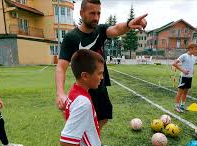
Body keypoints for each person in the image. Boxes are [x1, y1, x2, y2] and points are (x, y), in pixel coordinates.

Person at [55, 0, 147, 130]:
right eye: (92, 13)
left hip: (100, 83)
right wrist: (60, 93)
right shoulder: (71, 37)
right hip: (84, 88)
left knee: (104, 116)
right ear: (81, 13)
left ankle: (92, 140)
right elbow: (61, 66)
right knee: (78, 125)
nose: (96, 17)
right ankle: (81, 144)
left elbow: (115, 29)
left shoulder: (101, 30)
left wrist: (129, 23)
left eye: (98, 13)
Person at [60, 49, 106, 146]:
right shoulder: (83, 102)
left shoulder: (75, 91)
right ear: (85, 76)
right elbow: (66, 142)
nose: (102, 77)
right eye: (100, 73)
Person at [172, 43, 197, 113]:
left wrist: (193, 70)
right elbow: (174, 63)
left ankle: (182, 105)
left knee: (185, 92)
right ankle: (176, 106)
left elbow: (190, 65)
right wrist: (182, 70)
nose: (196, 51)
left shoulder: (193, 57)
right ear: (190, 49)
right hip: (183, 77)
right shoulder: (184, 56)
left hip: (189, 77)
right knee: (180, 92)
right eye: (195, 49)